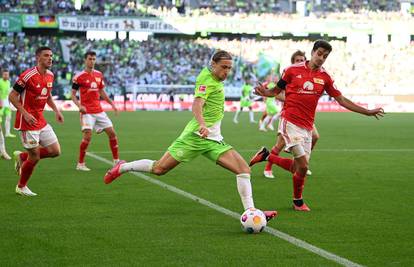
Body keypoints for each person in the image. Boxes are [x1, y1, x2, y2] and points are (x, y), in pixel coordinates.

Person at [104, 50, 277, 221]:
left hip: (213, 139)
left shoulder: (214, 77)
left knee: (243, 170)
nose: (227, 72)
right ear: (213, 64)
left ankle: (252, 211)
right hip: (195, 137)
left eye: (229, 68)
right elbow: (197, 104)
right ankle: (122, 167)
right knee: (159, 169)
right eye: (224, 67)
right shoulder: (206, 80)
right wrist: (202, 124)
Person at [249, 40, 384, 212]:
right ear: (312, 52)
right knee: (304, 166)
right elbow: (276, 91)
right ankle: (297, 201)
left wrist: (367, 112)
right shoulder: (291, 70)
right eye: (319, 54)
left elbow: (341, 100)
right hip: (290, 122)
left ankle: (267, 156)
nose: (321, 58)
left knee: (297, 168)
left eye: (325, 56)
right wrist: (265, 93)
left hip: (307, 126)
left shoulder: (325, 77)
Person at [9, 46, 64, 196]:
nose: (50, 58)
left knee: (55, 151)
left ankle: (22, 157)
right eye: (46, 55)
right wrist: (25, 113)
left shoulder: (51, 75)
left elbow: (48, 96)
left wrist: (56, 110)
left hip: (40, 119)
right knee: (35, 156)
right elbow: (12, 96)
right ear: (38, 58)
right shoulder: (27, 75)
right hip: (27, 122)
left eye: (51, 55)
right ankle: (21, 186)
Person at [263, 50, 317, 178]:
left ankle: (302, 163)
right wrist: (293, 99)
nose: (300, 62)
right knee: (279, 145)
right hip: (290, 116)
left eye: (302, 60)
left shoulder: (308, 75)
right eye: (297, 60)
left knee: (315, 136)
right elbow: (278, 94)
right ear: (293, 62)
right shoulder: (289, 73)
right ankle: (267, 168)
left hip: (305, 117)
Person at [71, 51, 120, 171]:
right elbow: (72, 94)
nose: (92, 61)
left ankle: (116, 161)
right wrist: (79, 106)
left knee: (112, 134)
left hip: (99, 111)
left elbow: (102, 92)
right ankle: (80, 164)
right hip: (87, 112)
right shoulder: (79, 77)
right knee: (87, 136)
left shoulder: (99, 75)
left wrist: (112, 104)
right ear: (85, 60)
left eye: (93, 59)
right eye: (90, 59)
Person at [0, 69, 16, 138]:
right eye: (5, 74)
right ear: (2, 75)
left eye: (7, 74)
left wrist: (9, 102)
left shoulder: (9, 82)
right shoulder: (0, 82)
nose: (6, 76)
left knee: (8, 117)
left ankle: (7, 133)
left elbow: (8, 93)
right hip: (1, 102)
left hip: (6, 102)